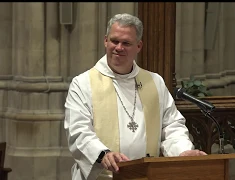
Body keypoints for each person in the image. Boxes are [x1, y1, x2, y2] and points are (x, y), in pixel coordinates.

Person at [64, 13, 207, 180]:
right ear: (105, 40)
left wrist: (182, 150)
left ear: (139, 46)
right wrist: (103, 154)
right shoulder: (83, 83)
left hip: (146, 176)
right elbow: (78, 131)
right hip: (103, 177)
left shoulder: (154, 82)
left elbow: (171, 125)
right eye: (114, 41)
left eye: (126, 43)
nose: (118, 47)